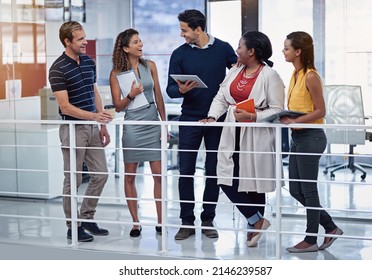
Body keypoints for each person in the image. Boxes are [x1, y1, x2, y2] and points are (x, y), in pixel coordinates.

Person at [202, 31, 285, 247]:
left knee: (254, 181)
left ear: (252, 51)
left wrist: (253, 116)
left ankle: (253, 229)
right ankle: (257, 221)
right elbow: (221, 96)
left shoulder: (270, 75)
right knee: (225, 177)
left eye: (240, 46)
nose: (236, 50)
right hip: (232, 131)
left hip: (256, 134)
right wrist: (212, 116)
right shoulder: (235, 70)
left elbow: (277, 109)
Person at [166, 9, 237, 240]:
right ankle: (186, 221)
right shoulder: (179, 54)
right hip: (189, 119)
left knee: (213, 171)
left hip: (218, 120)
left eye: (184, 30)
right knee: (185, 171)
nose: (181, 34)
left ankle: (208, 219)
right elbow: (170, 89)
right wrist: (181, 90)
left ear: (198, 29)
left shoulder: (224, 48)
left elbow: (240, 75)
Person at [49, 21, 112, 242]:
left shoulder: (88, 61)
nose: (86, 42)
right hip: (71, 128)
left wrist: (101, 123)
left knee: (101, 174)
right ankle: (72, 226)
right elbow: (65, 106)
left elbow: (94, 92)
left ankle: (86, 217)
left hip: (92, 127)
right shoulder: (57, 68)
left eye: (85, 37)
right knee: (73, 179)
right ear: (67, 41)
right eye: (80, 39)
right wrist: (94, 117)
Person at [281, 31, 343, 253]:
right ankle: (330, 227)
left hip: (312, 137)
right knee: (295, 190)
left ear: (298, 51)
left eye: (287, 48)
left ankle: (310, 239)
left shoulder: (310, 76)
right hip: (298, 136)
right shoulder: (295, 74)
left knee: (308, 190)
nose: (283, 51)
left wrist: (293, 119)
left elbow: (321, 110)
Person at [110, 28, 166, 237]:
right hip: (133, 125)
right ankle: (136, 223)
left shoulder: (150, 66)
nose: (140, 44)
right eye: (135, 42)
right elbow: (117, 106)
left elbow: (158, 95)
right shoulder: (116, 74)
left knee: (159, 175)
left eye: (140, 41)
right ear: (125, 48)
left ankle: (160, 222)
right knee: (130, 176)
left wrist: (164, 125)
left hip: (152, 122)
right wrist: (132, 95)